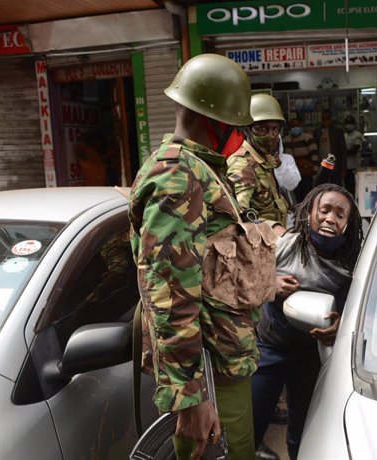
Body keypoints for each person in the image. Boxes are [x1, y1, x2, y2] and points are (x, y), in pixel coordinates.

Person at [128, 53, 258, 460]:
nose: (239, 136)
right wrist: (192, 397)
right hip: (209, 373)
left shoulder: (196, 169)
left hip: (220, 362)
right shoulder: (178, 176)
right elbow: (170, 293)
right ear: (216, 120)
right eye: (235, 125)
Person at [251, 183, 364, 460]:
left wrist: (341, 327)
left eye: (340, 215)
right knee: (251, 421)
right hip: (269, 349)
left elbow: (360, 310)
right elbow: (243, 280)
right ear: (308, 214)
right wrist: (270, 283)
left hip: (312, 357)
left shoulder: (352, 268)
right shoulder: (284, 246)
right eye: (324, 210)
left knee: (302, 432)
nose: (330, 219)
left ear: (348, 224)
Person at [227, 93, 289, 236]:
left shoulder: (266, 159)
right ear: (247, 129)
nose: (270, 135)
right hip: (259, 246)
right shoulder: (243, 165)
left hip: (274, 243)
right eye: (262, 129)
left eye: (275, 129)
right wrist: (274, 229)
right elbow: (238, 217)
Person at [283, 117, 318, 204]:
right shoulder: (285, 140)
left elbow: (314, 154)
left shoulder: (307, 138)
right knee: (296, 196)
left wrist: (315, 170)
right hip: (293, 173)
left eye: (297, 125)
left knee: (307, 194)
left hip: (306, 172)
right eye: (293, 126)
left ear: (301, 126)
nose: (295, 127)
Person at [313, 109, 347, 186]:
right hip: (321, 164)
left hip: (335, 164)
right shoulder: (317, 131)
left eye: (328, 118)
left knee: (336, 186)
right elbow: (314, 148)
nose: (326, 121)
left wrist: (343, 168)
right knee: (323, 187)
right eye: (324, 119)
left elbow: (343, 150)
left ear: (331, 119)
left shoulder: (337, 131)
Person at [343, 114, 363, 196]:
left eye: (350, 123)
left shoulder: (357, 135)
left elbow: (355, 150)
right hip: (345, 167)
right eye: (347, 123)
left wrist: (342, 153)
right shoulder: (344, 135)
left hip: (354, 166)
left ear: (354, 124)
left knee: (354, 188)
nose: (349, 125)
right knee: (346, 189)